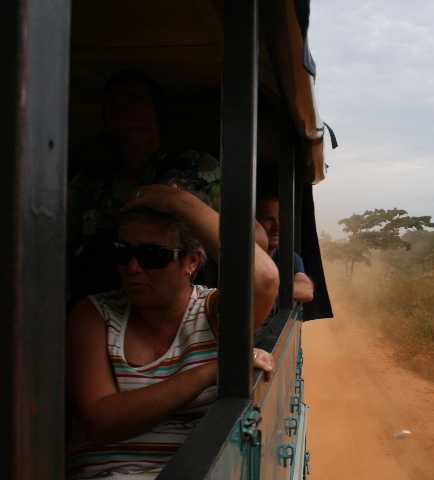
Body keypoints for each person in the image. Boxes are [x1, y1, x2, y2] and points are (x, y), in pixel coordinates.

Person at [67, 186, 278, 479]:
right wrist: (210, 371)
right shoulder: (95, 314)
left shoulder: (211, 313)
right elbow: (102, 421)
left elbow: (264, 278)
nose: (132, 268)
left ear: (192, 262)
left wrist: (178, 201)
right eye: (123, 253)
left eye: (153, 255)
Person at [68, 70, 226, 302]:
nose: (125, 109)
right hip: (100, 302)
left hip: (181, 305)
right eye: (114, 103)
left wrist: (176, 201)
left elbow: (247, 239)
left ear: (156, 112)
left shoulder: (199, 167)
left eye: (135, 99)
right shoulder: (89, 176)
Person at [256, 194, 314, 303]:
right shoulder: (243, 256)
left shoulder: (288, 257)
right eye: (269, 219)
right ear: (255, 223)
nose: (277, 227)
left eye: (280, 219)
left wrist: (264, 293)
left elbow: (306, 290)